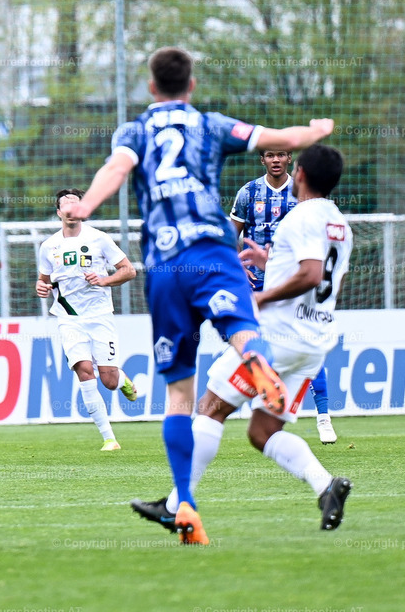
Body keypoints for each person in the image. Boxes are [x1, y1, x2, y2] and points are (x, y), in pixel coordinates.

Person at [65, 46, 336, 544]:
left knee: (179, 395)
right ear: (191, 85)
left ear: (152, 87)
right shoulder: (210, 125)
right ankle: (258, 365)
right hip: (212, 250)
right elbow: (278, 139)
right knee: (242, 330)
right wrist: (314, 132)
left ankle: (185, 506)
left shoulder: (134, 131)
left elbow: (116, 170)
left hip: (167, 264)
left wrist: (86, 205)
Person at [131, 144, 353, 535]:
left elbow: (311, 274)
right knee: (262, 432)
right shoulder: (339, 223)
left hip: (277, 338)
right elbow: (328, 278)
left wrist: (262, 296)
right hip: (313, 342)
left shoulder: (300, 216)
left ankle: (176, 506)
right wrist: (274, 264)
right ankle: (326, 487)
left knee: (210, 408)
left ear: (300, 173)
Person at [231, 149, 337, 444]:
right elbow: (230, 236)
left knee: (304, 340)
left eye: (281, 155)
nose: (275, 160)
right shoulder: (248, 193)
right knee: (250, 341)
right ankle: (258, 400)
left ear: (290, 159)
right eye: (269, 155)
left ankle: (323, 416)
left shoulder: (303, 196)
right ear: (262, 160)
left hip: (293, 284)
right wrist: (238, 269)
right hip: (257, 283)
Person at [36, 188, 138, 451]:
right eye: (66, 204)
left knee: (109, 381)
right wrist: (41, 287)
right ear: (59, 212)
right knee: (84, 369)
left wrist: (104, 280)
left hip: (100, 316)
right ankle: (109, 439)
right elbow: (44, 281)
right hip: (68, 317)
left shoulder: (99, 239)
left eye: (75, 203)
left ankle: (122, 379)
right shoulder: (49, 246)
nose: (71, 208)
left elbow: (129, 271)